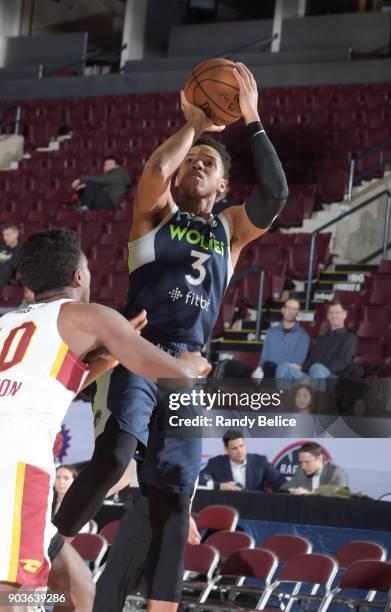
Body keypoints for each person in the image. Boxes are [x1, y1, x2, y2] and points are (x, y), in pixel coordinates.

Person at [54, 62, 288, 612]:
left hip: (186, 372)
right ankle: (52, 540)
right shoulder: (154, 215)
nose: (195, 166)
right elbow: (160, 165)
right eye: (192, 162)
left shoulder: (230, 231)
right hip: (136, 352)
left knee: (174, 502)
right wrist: (197, 126)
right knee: (114, 457)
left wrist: (251, 119)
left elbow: (275, 193)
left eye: (207, 163)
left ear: (223, 183)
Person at [0, 228, 209, 610]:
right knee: (13, 593)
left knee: (75, 587)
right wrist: (190, 366)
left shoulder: (9, 322)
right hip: (15, 457)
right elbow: (172, 375)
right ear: (79, 275)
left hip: (12, 449)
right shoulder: (91, 316)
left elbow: (59, 382)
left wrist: (108, 359)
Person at [276, 300, 358, 390]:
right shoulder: (321, 339)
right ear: (327, 316)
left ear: (344, 315)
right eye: (331, 313)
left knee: (317, 368)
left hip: (334, 378)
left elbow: (340, 364)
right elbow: (311, 361)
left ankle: (317, 402)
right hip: (313, 375)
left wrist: (315, 370)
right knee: (284, 367)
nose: (334, 316)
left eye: (337, 312)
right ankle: (284, 401)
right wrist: (301, 367)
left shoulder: (350, 339)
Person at [199, 429, 285, 492]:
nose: (239, 451)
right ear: (226, 450)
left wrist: (292, 489)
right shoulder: (216, 463)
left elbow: (279, 481)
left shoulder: (260, 461)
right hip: (227, 507)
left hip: (255, 508)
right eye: (234, 448)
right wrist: (219, 486)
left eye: (241, 446)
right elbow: (199, 480)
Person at [252, 299, 310, 380]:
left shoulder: (303, 336)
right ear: (282, 310)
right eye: (288, 308)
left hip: (284, 374)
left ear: (297, 312)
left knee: (270, 366)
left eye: (294, 309)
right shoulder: (271, 332)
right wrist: (258, 369)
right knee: (232, 365)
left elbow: (296, 364)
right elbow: (264, 357)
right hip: (265, 371)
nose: (291, 311)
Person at [279, 442, 348, 494]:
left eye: (307, 462)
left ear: (320, 458)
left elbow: (341, 496)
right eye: (301, 462)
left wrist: (309, 494)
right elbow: (285, 487)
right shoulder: (300, 470)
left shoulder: (337, 472)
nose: (303, 466)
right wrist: (293, 490)